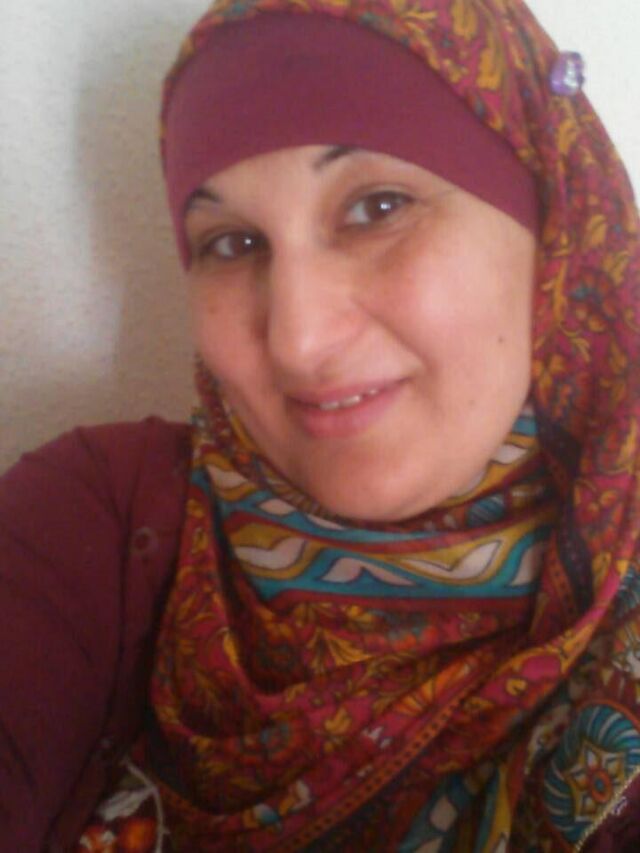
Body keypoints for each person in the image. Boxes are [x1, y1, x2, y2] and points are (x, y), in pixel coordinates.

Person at [1, 0, 639, 850]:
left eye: (378, 206)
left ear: (553, 227)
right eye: (232, 243)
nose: (297, 341)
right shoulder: (100, 518)